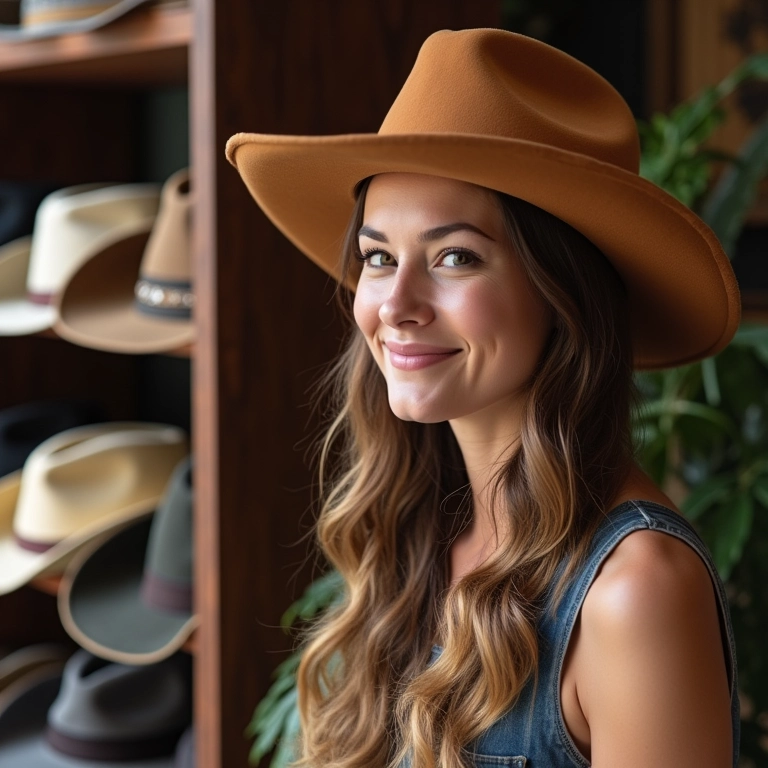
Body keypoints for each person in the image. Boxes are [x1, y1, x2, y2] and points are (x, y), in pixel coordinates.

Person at [226, 27, 741, 768]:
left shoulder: (635, 591)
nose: (396, 304)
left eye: (455, 257)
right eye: (378, 257)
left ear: (562, 292)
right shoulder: (416, 536)